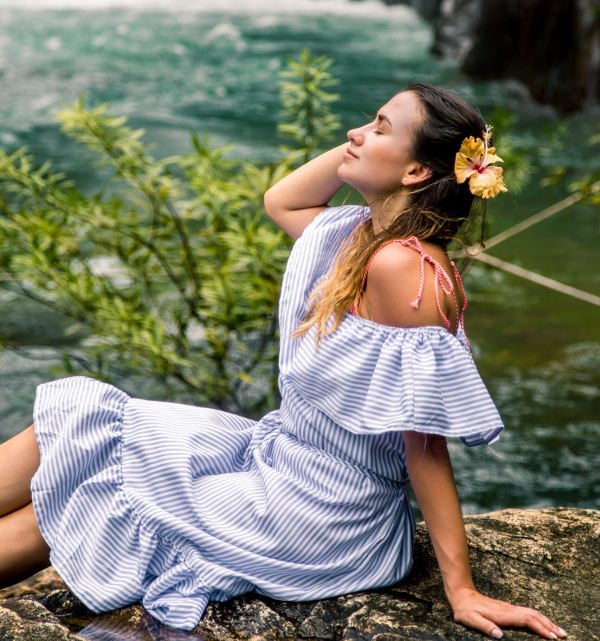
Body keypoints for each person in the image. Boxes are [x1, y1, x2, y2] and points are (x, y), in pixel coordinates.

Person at [0, 84, 565, 640]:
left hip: (325, 509)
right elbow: (283, 199)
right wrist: (364, 154)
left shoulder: (406, 271)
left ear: (416, 173)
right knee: (72, 430)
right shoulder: (357, 235)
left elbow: (424, 441)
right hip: (281, 454)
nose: (355, 133)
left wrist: (460, 590)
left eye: (379, 129)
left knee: (79, 499)